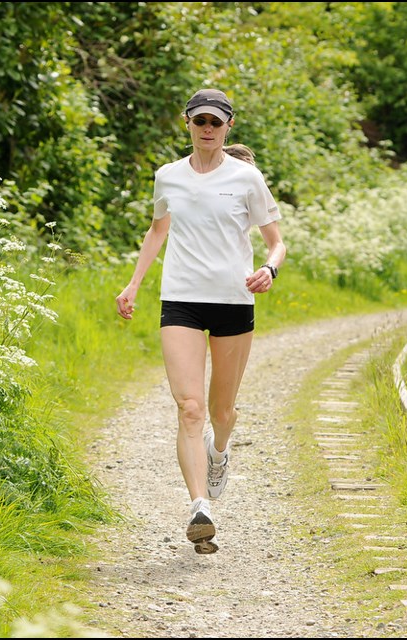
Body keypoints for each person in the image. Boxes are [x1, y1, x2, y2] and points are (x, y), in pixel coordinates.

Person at [115, 88, 286, 554]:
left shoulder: (247, 178)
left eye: (216, 122)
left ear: (229, 126)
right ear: (187, 124)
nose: (207, 129)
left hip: (234, 301)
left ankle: (219, 452)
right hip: (181, 300)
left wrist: (269, 269)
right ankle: (199, 507)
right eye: (200, 121)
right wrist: (134, 284)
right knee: (190, 407)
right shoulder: (168, 177)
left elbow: (277, 241)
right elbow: (158, 228)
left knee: (222, 412)